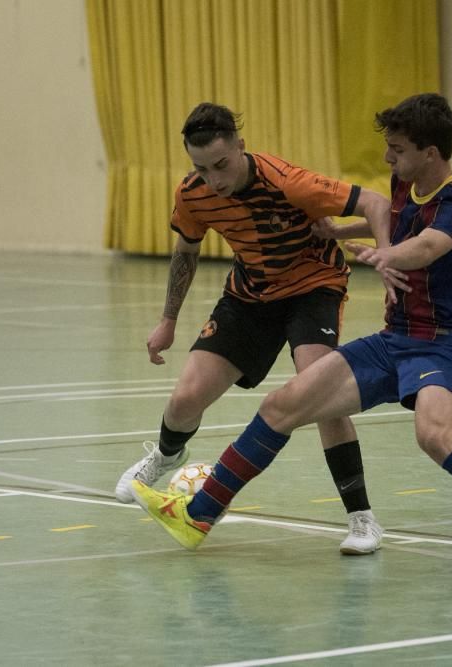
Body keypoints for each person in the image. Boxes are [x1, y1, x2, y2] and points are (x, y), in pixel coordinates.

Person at [131, 93, 452, 577]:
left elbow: (428, 244)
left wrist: (387, 256)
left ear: (431, 152)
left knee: (434, 436)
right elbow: (393, 219)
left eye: (398, 149)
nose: (388, 157)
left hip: (443, 342)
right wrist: (340, 234)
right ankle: (198, 516)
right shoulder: (407, 186)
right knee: (281, 406)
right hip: (393, 340)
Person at [114, 102, 405, 555]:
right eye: (202, 168)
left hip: (313, 289)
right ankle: (168, 456)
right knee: (186, 398)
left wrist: (387, 261)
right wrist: (168, 320)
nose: (214, 179)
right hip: (249, 296)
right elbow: (186, 252)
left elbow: (377, 202)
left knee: (321, 393)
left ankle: (362, 518)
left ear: (241, 148)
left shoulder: (287, 181)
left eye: (221, 165)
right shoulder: (193, 193)